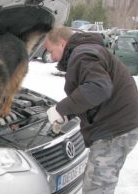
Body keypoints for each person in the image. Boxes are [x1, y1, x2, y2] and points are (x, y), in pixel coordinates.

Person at [44, 26, 138, 194]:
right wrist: (67, 114)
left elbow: (98, 88)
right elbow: (91, 92)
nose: (51, 58)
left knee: (96, 187)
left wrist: (61, 108)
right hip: (121, 122)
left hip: (114, 129)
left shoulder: (82, 54)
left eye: (51, 51)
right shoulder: (87, 51)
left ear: (62, 43)